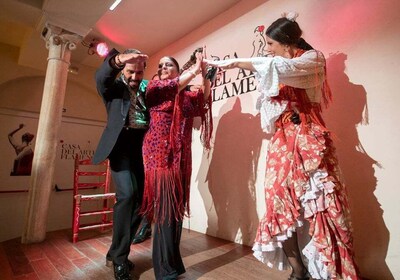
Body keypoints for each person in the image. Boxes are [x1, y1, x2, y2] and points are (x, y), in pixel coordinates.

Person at [206, 12, 359, 280]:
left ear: (286, 43)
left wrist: (235, 62)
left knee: (318, 200)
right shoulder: (279, 64)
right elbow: (270, 75)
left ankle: (328, 271)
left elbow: (277, 68)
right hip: (283, 141)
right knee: (279, 202)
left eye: (270, 44)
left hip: (307, 137)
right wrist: (234, 64)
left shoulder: (311, 61)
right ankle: (298, 270)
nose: (267, 50)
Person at [140, 49, 212, 280]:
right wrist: (196, 68)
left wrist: (206, 75)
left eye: (168, 65)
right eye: (160, 65)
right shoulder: (155, 88)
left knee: (175, 211)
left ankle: (173, 265)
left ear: (177, 70)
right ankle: (165, 271)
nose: (162, 68)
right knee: (164, 212)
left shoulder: (185, 96)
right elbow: (174, 86)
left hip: (180, 158)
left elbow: (203, 102)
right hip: (159, 156)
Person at [93, 47, 149, 280]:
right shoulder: (113, 89)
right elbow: (101, 77)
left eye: (139, 73)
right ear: (123, 68)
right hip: (120, 146)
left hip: (141, 147)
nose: (135, 77)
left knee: (142, 201)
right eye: (130, 72)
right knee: (126, 196)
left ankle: (116, 251)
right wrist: (118, 60)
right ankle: (120, 259)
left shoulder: (147, 90)